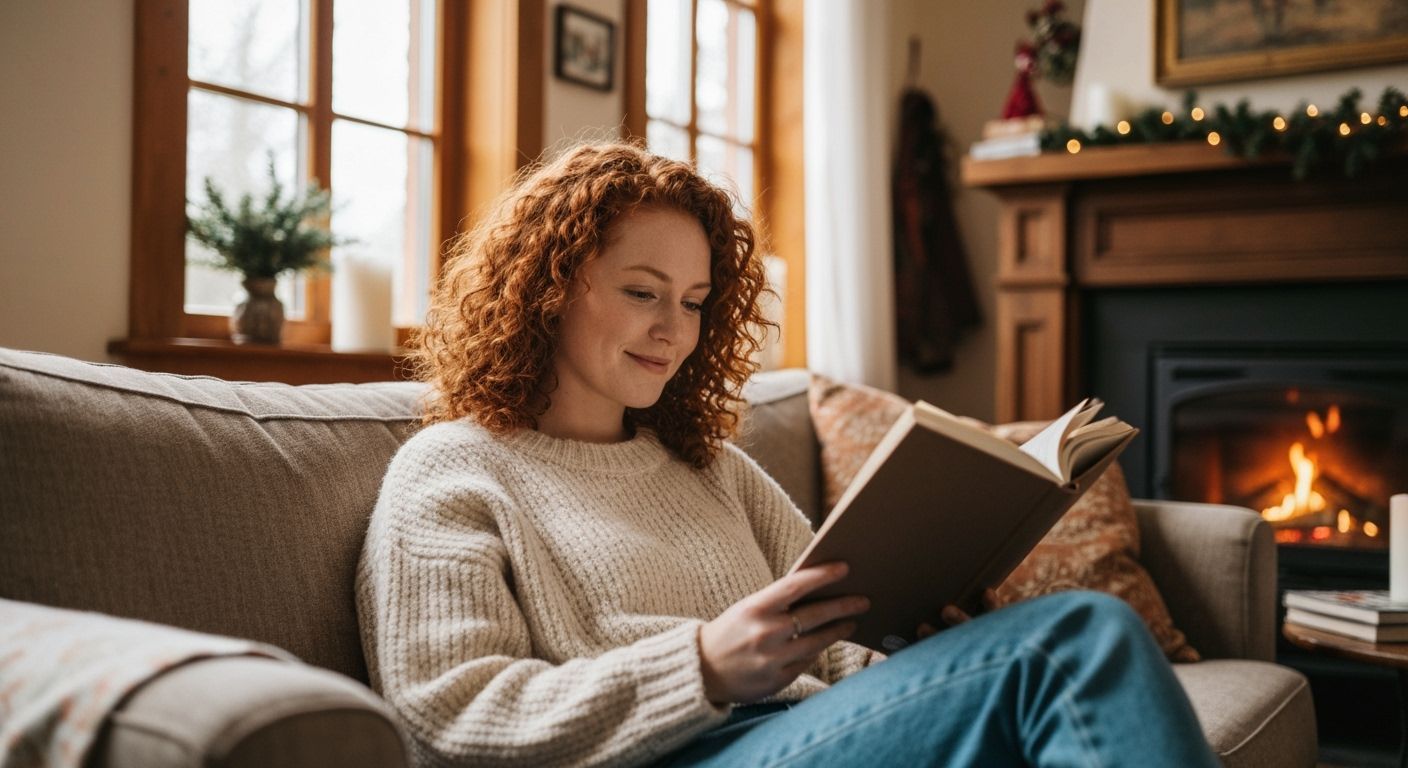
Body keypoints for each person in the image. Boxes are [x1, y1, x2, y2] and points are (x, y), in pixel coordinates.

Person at [355, 142, 1218, 768]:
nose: (673, 330)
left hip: (806, 733)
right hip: (671, 755)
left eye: (694, 302)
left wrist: (919, 645)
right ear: (547, 290)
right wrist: (701, 667)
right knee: (1076, 638)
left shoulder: (710, 468)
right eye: (642, 293)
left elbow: (835, 643)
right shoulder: (453, 469)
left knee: (1039, 666)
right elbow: (447, 713)